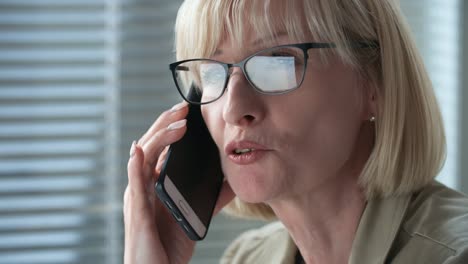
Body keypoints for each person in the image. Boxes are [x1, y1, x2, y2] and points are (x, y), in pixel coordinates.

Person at [123, 0, 468, 263]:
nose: (233, 109)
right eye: (213, 73)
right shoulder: (248, 257)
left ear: (373, 83)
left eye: (277, 62)